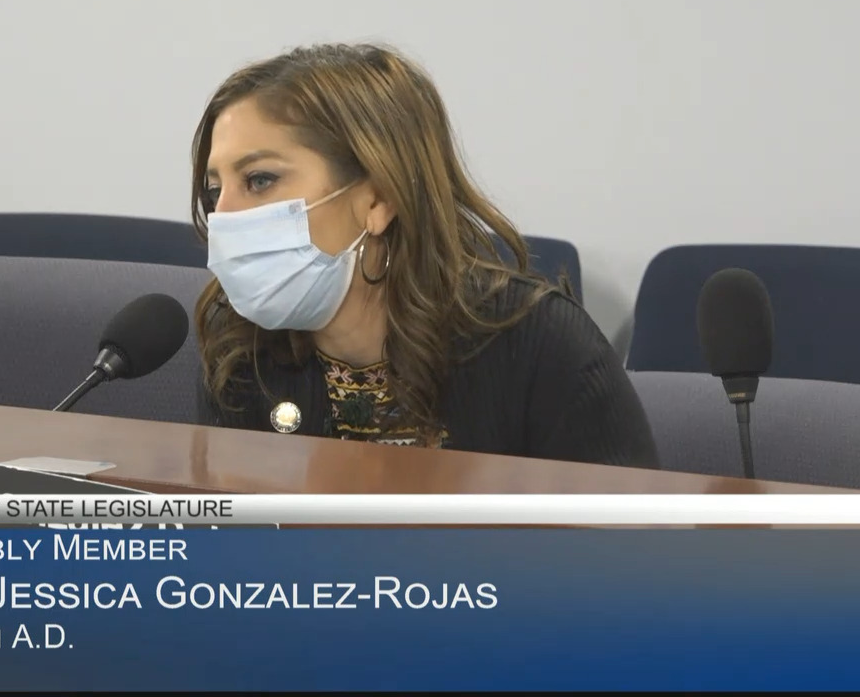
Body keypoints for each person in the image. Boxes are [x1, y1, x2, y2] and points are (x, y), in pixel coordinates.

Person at [190, 42, 658, 468]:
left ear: (379, 198)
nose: (224, 216)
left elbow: (629, 533)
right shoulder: (241, 351)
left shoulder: (540, 346)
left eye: (259, 180)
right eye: (214, 191)